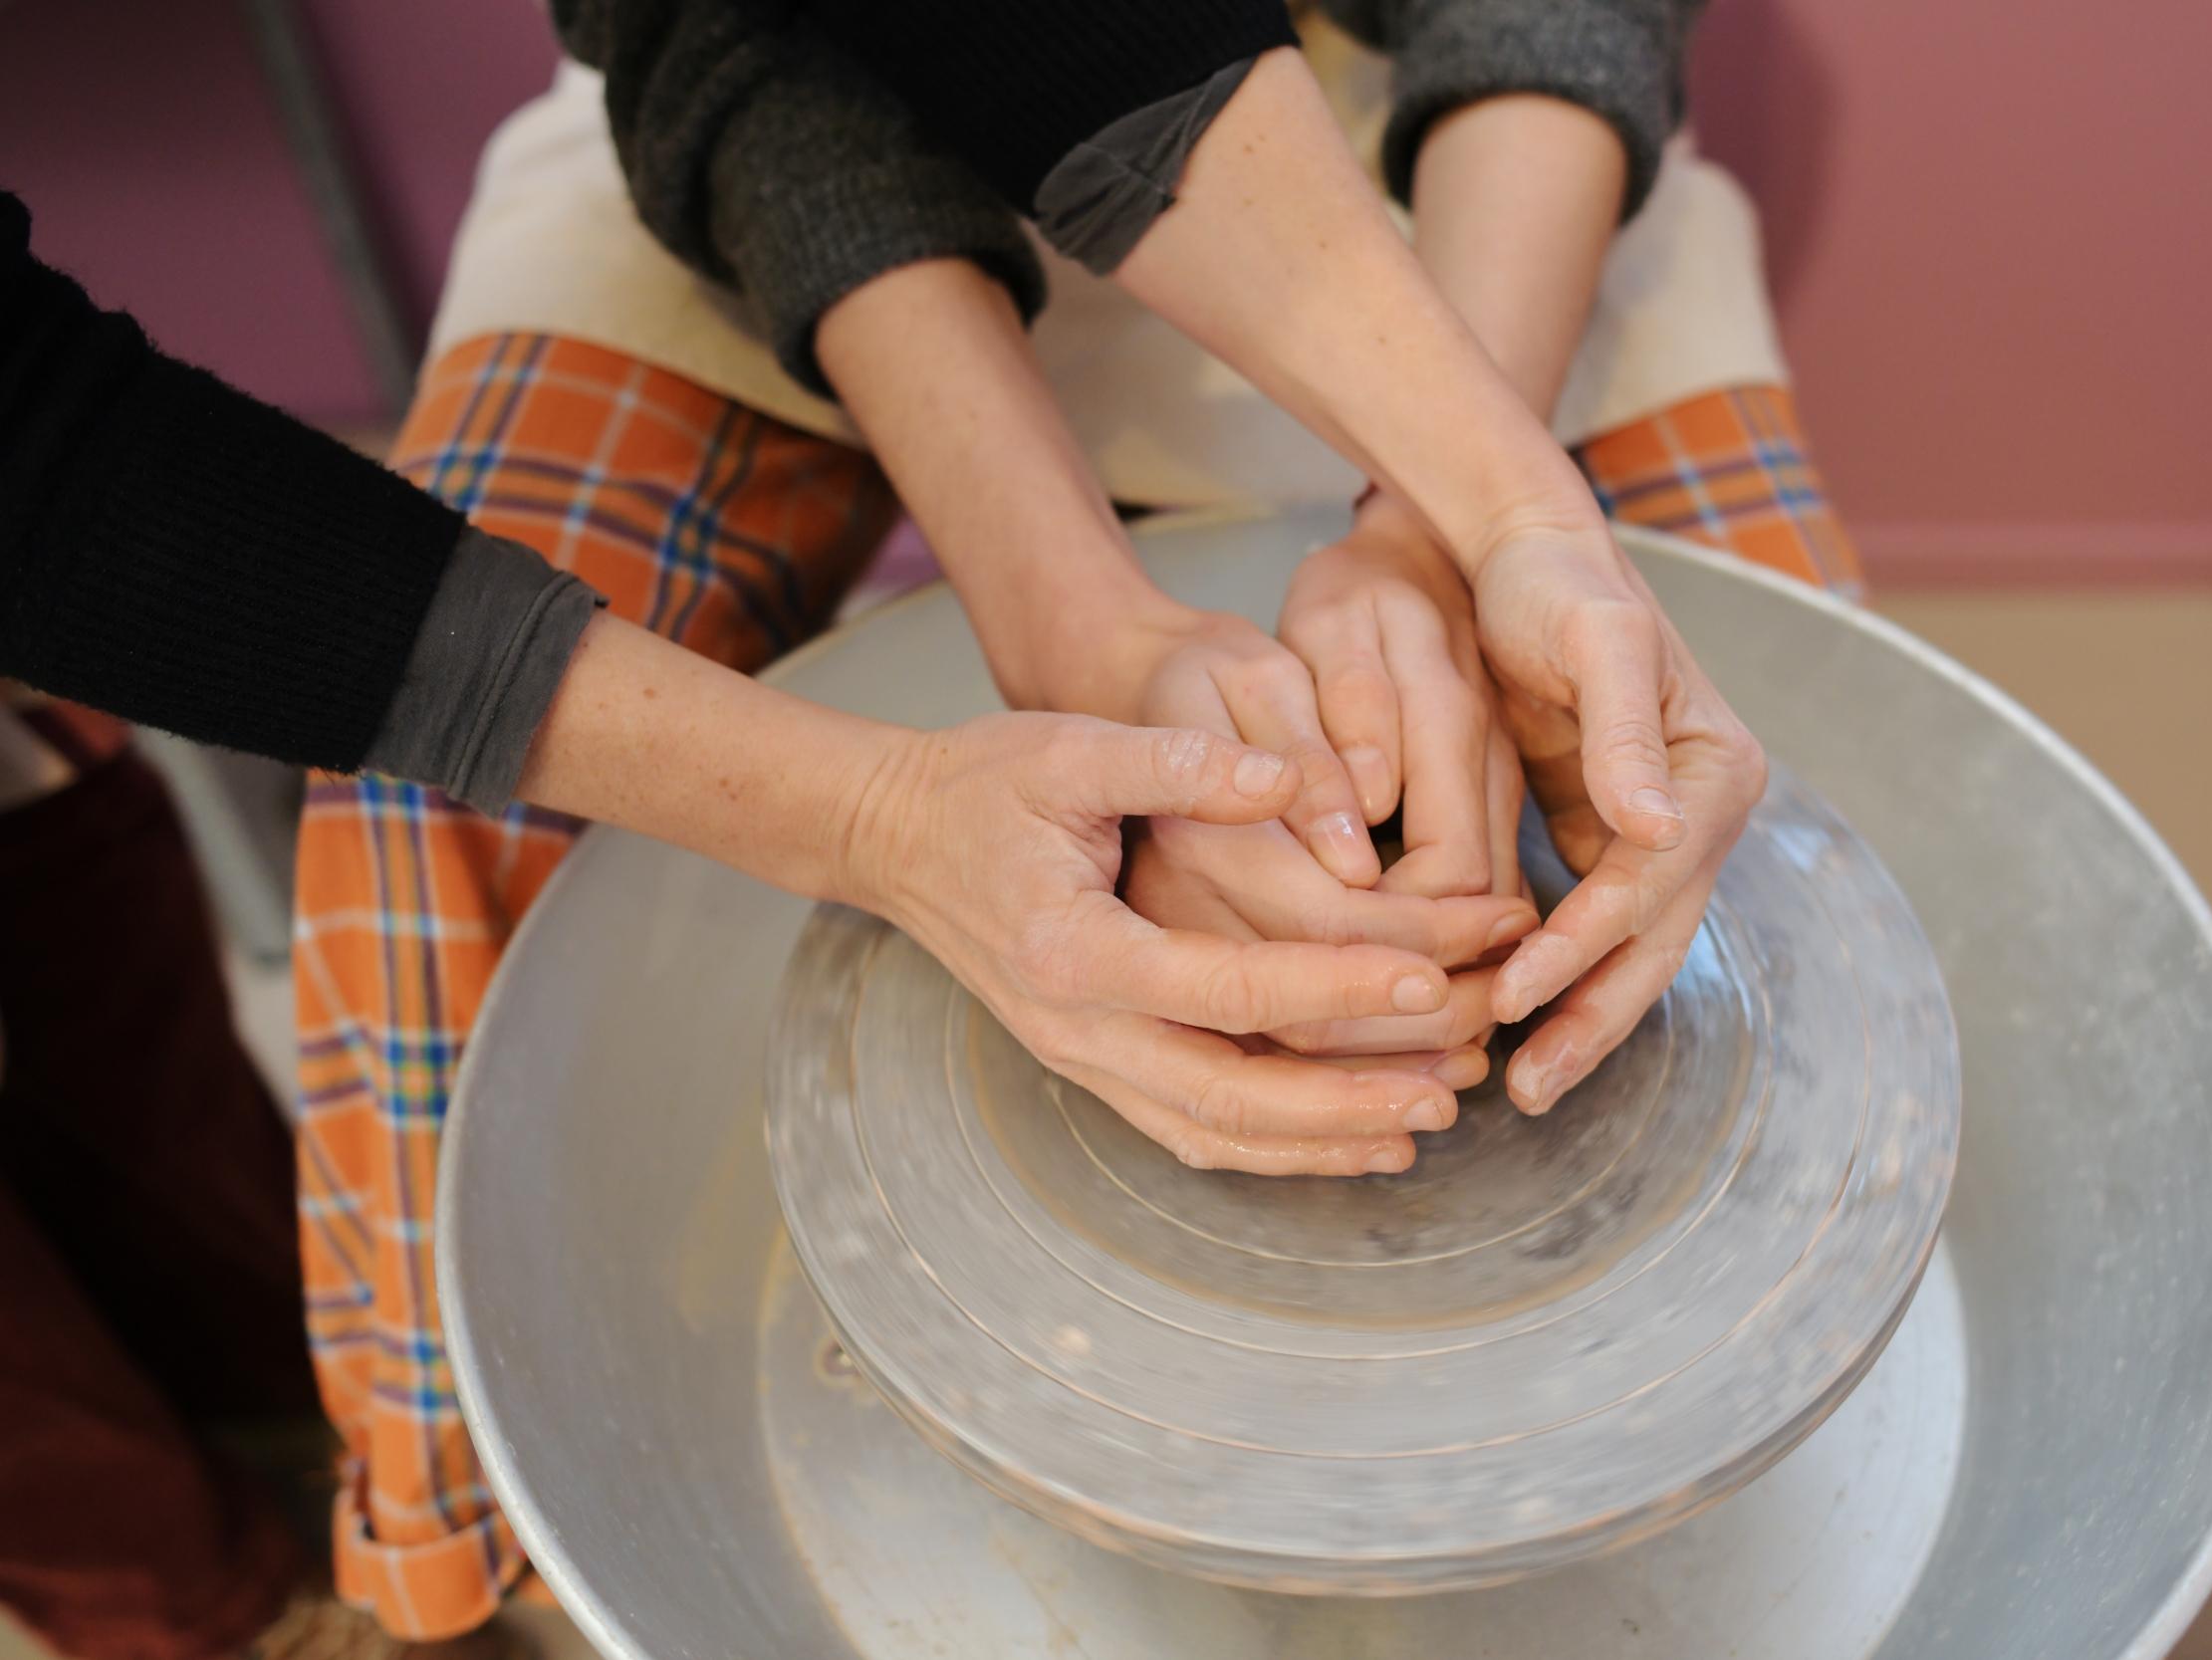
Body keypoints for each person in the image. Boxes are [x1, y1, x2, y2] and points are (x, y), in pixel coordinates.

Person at [288, 0, 1862, 1641]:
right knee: (410, 836)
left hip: (1426, 152)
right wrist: (1070, 626)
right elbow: (738, 35)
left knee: (1762, 764)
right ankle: (459, 1584)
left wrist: (1458, 525)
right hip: (787, 112)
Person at [0, 183, 1473, 1659]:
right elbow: (50, 464)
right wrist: (925, 770)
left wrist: (1443, 526)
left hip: (1375, 182)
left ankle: (258, 1388)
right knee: (406, 840)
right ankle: (300, 1591)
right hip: (758, 190)